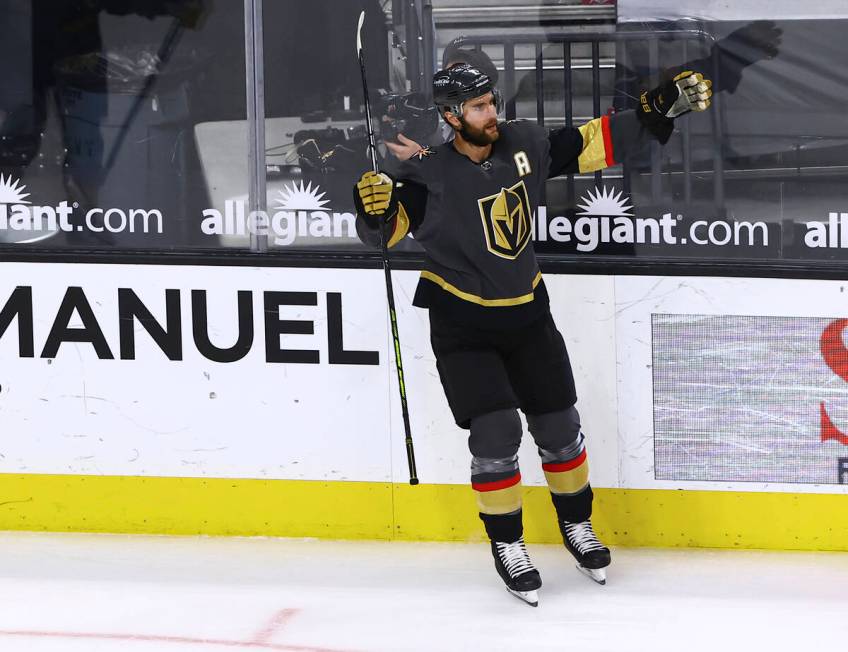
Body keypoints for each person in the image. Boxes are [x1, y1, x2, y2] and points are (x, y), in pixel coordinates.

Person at [353, 63, 712, 607]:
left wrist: (653, 109)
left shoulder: (522, 144)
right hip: (462, 322)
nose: (490, 112)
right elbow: (388, 228)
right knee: (495, 434)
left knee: (560, 428)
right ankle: (509, 544)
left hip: (527, 315)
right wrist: (371, 207)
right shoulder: (431, 176)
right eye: (476, 107)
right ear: (452, 117)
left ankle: (577, 525)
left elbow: (591, 142)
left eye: (490, 101)